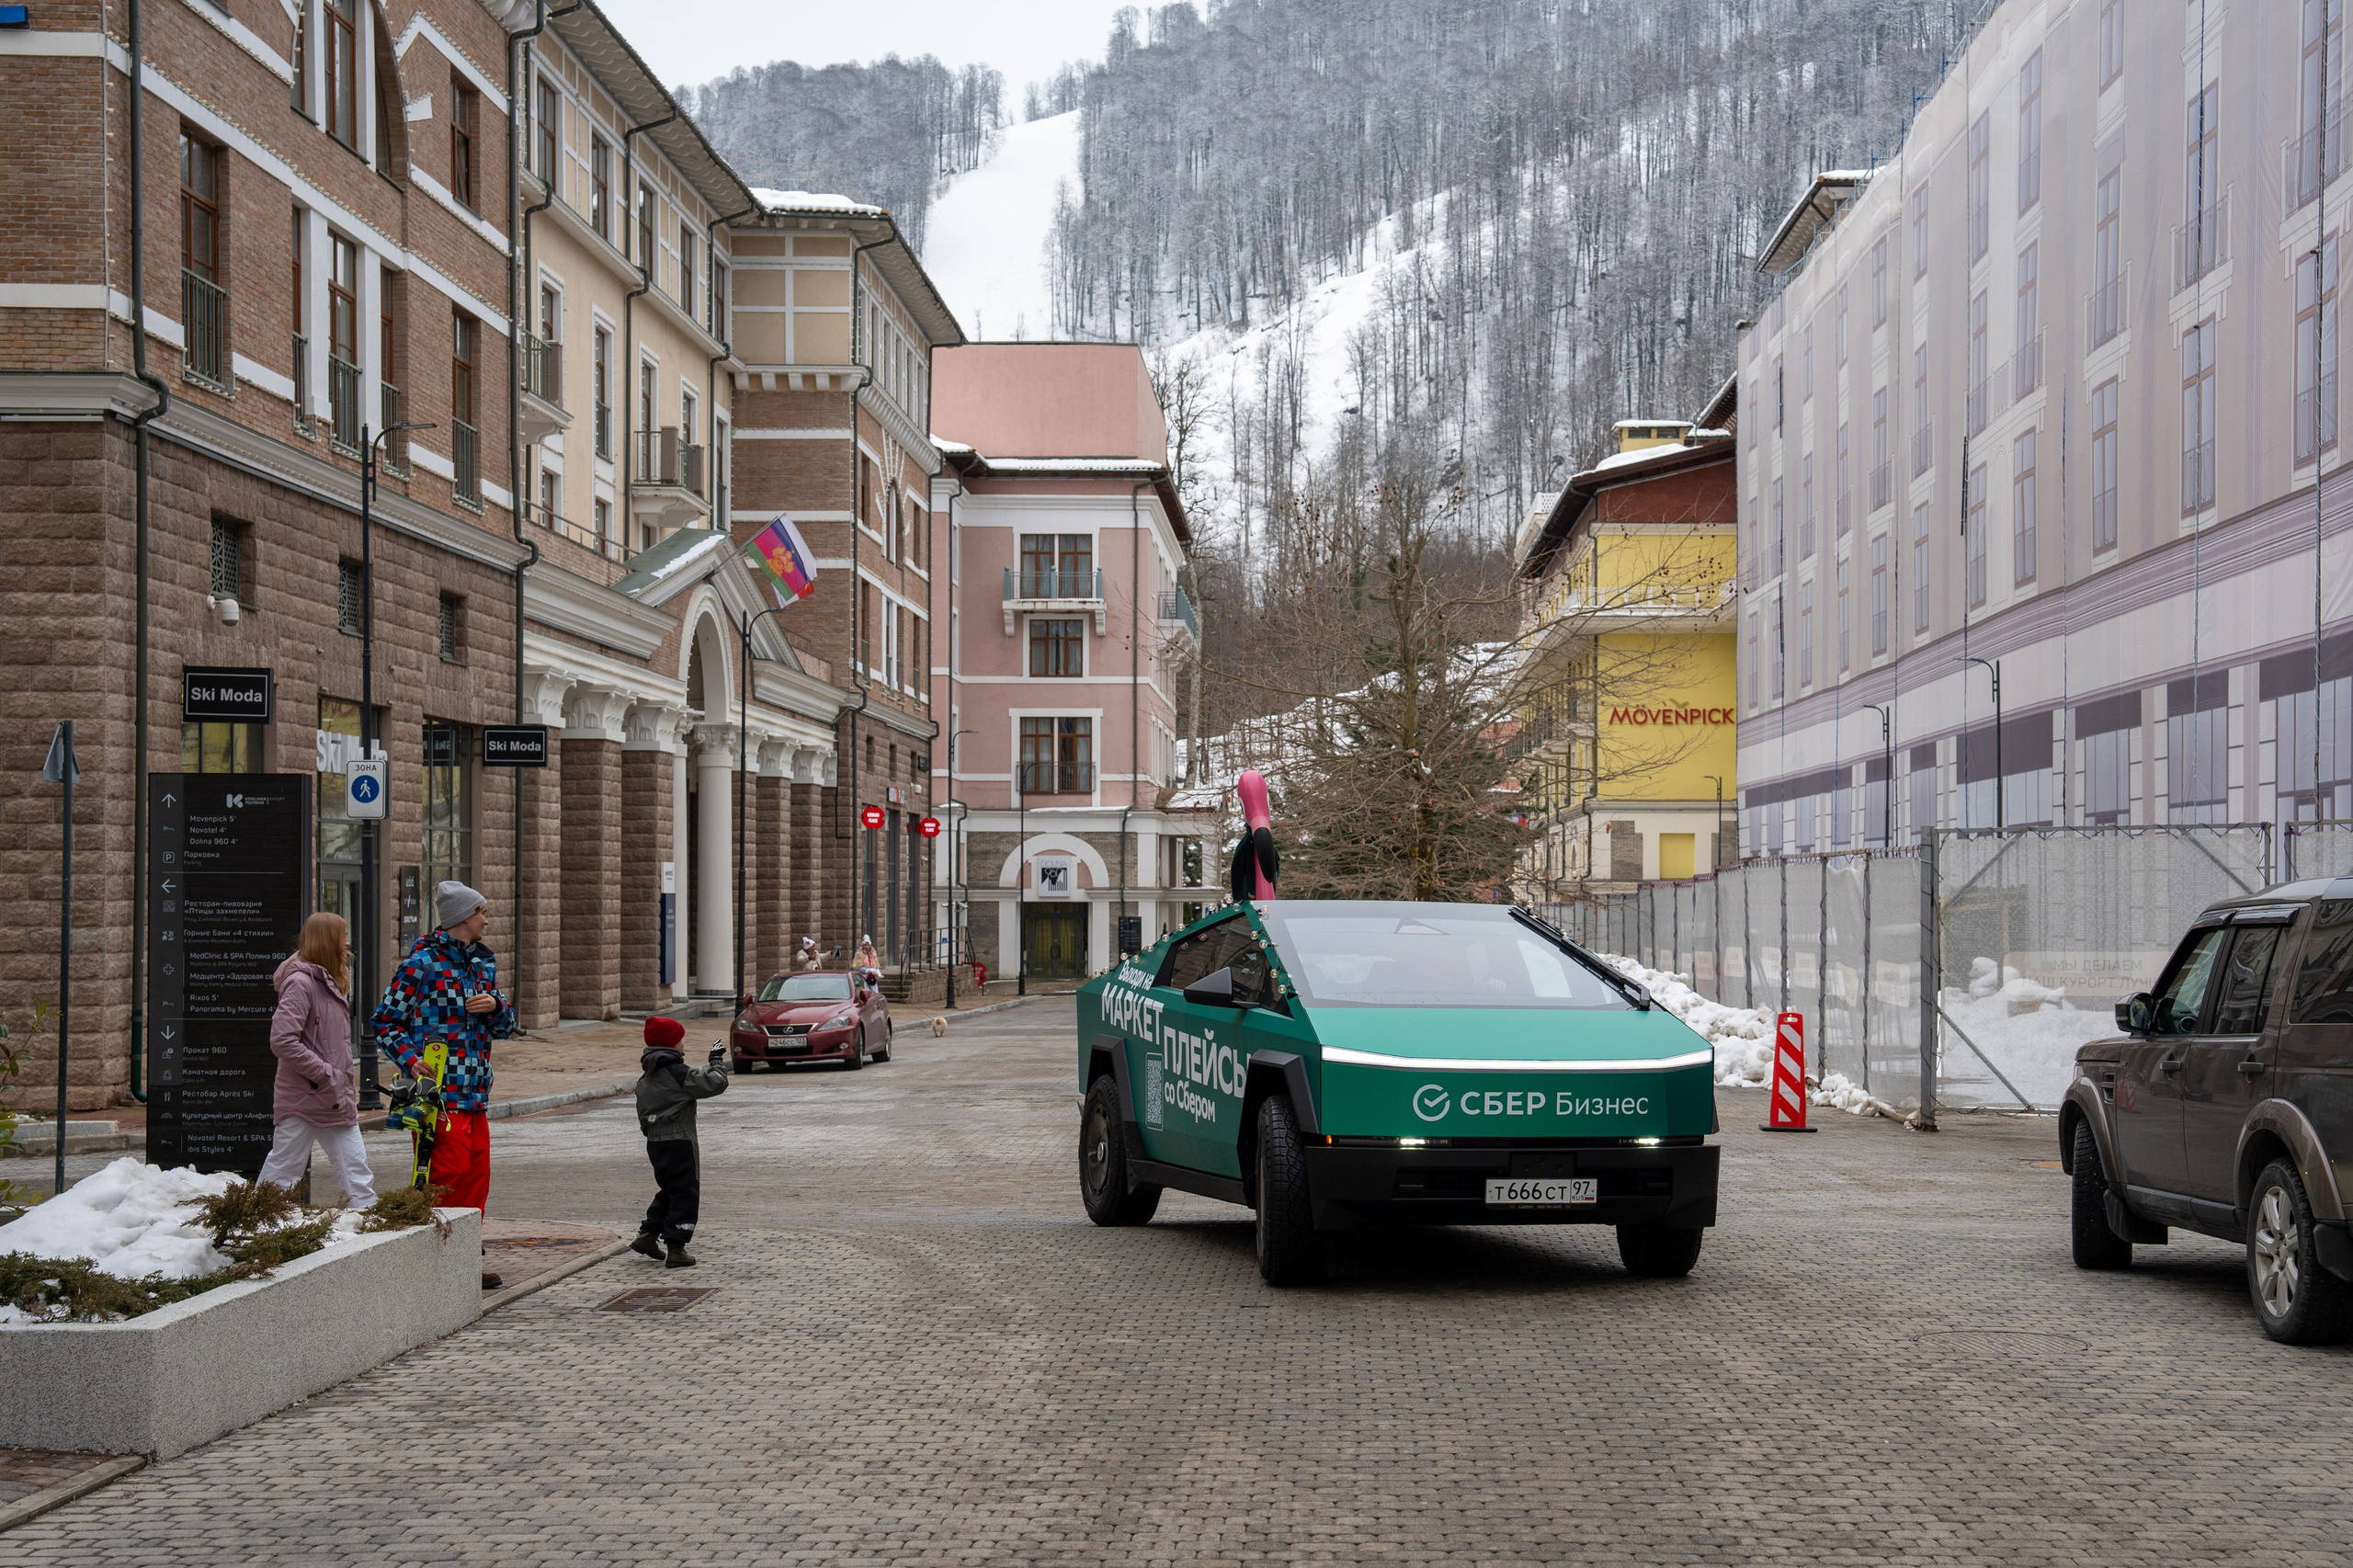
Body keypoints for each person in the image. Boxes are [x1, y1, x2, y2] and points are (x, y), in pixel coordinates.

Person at [371, 880, 515, 1288]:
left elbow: (507, 1026)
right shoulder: (422, 965)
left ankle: (464, 1258)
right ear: (462, 919)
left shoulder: (483, 964)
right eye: (481, 913)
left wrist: (495, 1006)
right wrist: (412, 1061)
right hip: (438, 1096)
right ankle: (440, 1264)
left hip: (475, 1093)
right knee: (445, 1176)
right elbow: (385, 1022)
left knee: (476, 1177)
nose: (486, 920)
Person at [257, 913, 376, 1207]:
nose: (347, 942)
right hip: (305, 1096)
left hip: (334, 1095)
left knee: (355, 1170)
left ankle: (368, 1230)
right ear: (328, 940)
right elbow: (282, 1040)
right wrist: (325, 1074)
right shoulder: (301, 982)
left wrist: (333, 1079)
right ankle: (255, 1226)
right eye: (342, 935)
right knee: (283, 1172)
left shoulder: (328, 979)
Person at [630, 1016, 728, 1267]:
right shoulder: (679, 1073)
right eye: (681, 1038)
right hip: (680, 1142)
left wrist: (650, 1132)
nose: (684, 1042)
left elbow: (642, 1109)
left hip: (655, 1142)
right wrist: (716, 1061)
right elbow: (715, 1084)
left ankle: (647, 1235)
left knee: (670, 1189)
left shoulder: (647, 1076)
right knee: (685, 1192)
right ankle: (677, 1247)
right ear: (671, 1044)